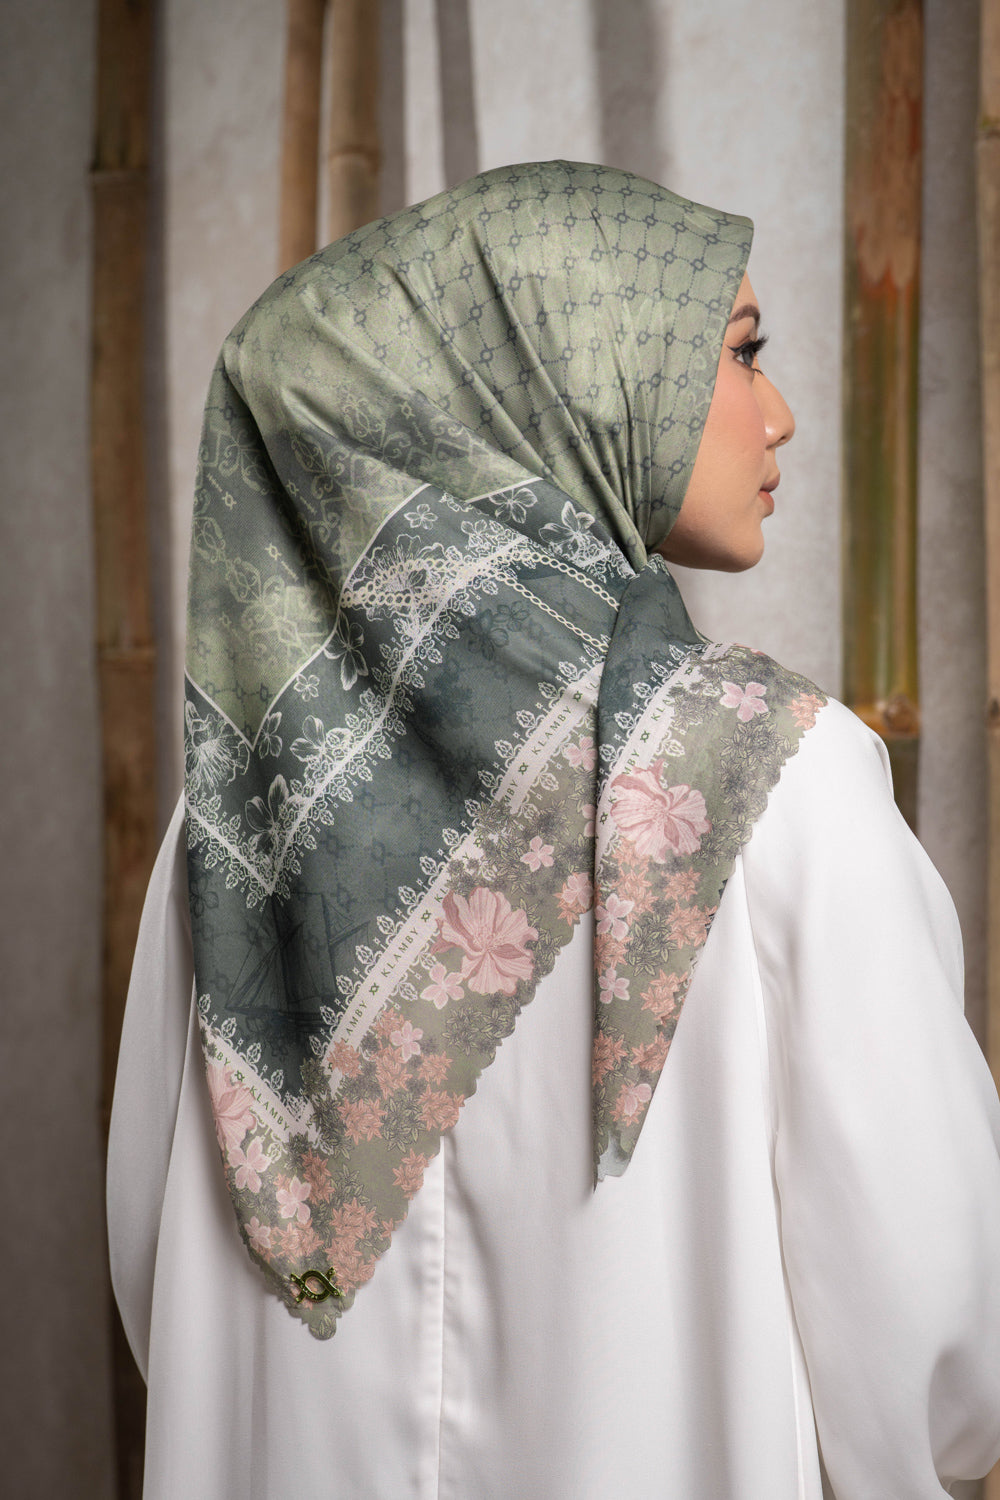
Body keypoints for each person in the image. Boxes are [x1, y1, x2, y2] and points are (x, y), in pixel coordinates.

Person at [108, 161, 1000, 1498]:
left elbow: (156, 1270)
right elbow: (941, 1335)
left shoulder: (235, 825)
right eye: (741, 353)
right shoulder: (779, 782)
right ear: (561, 385)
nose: (780, 414)